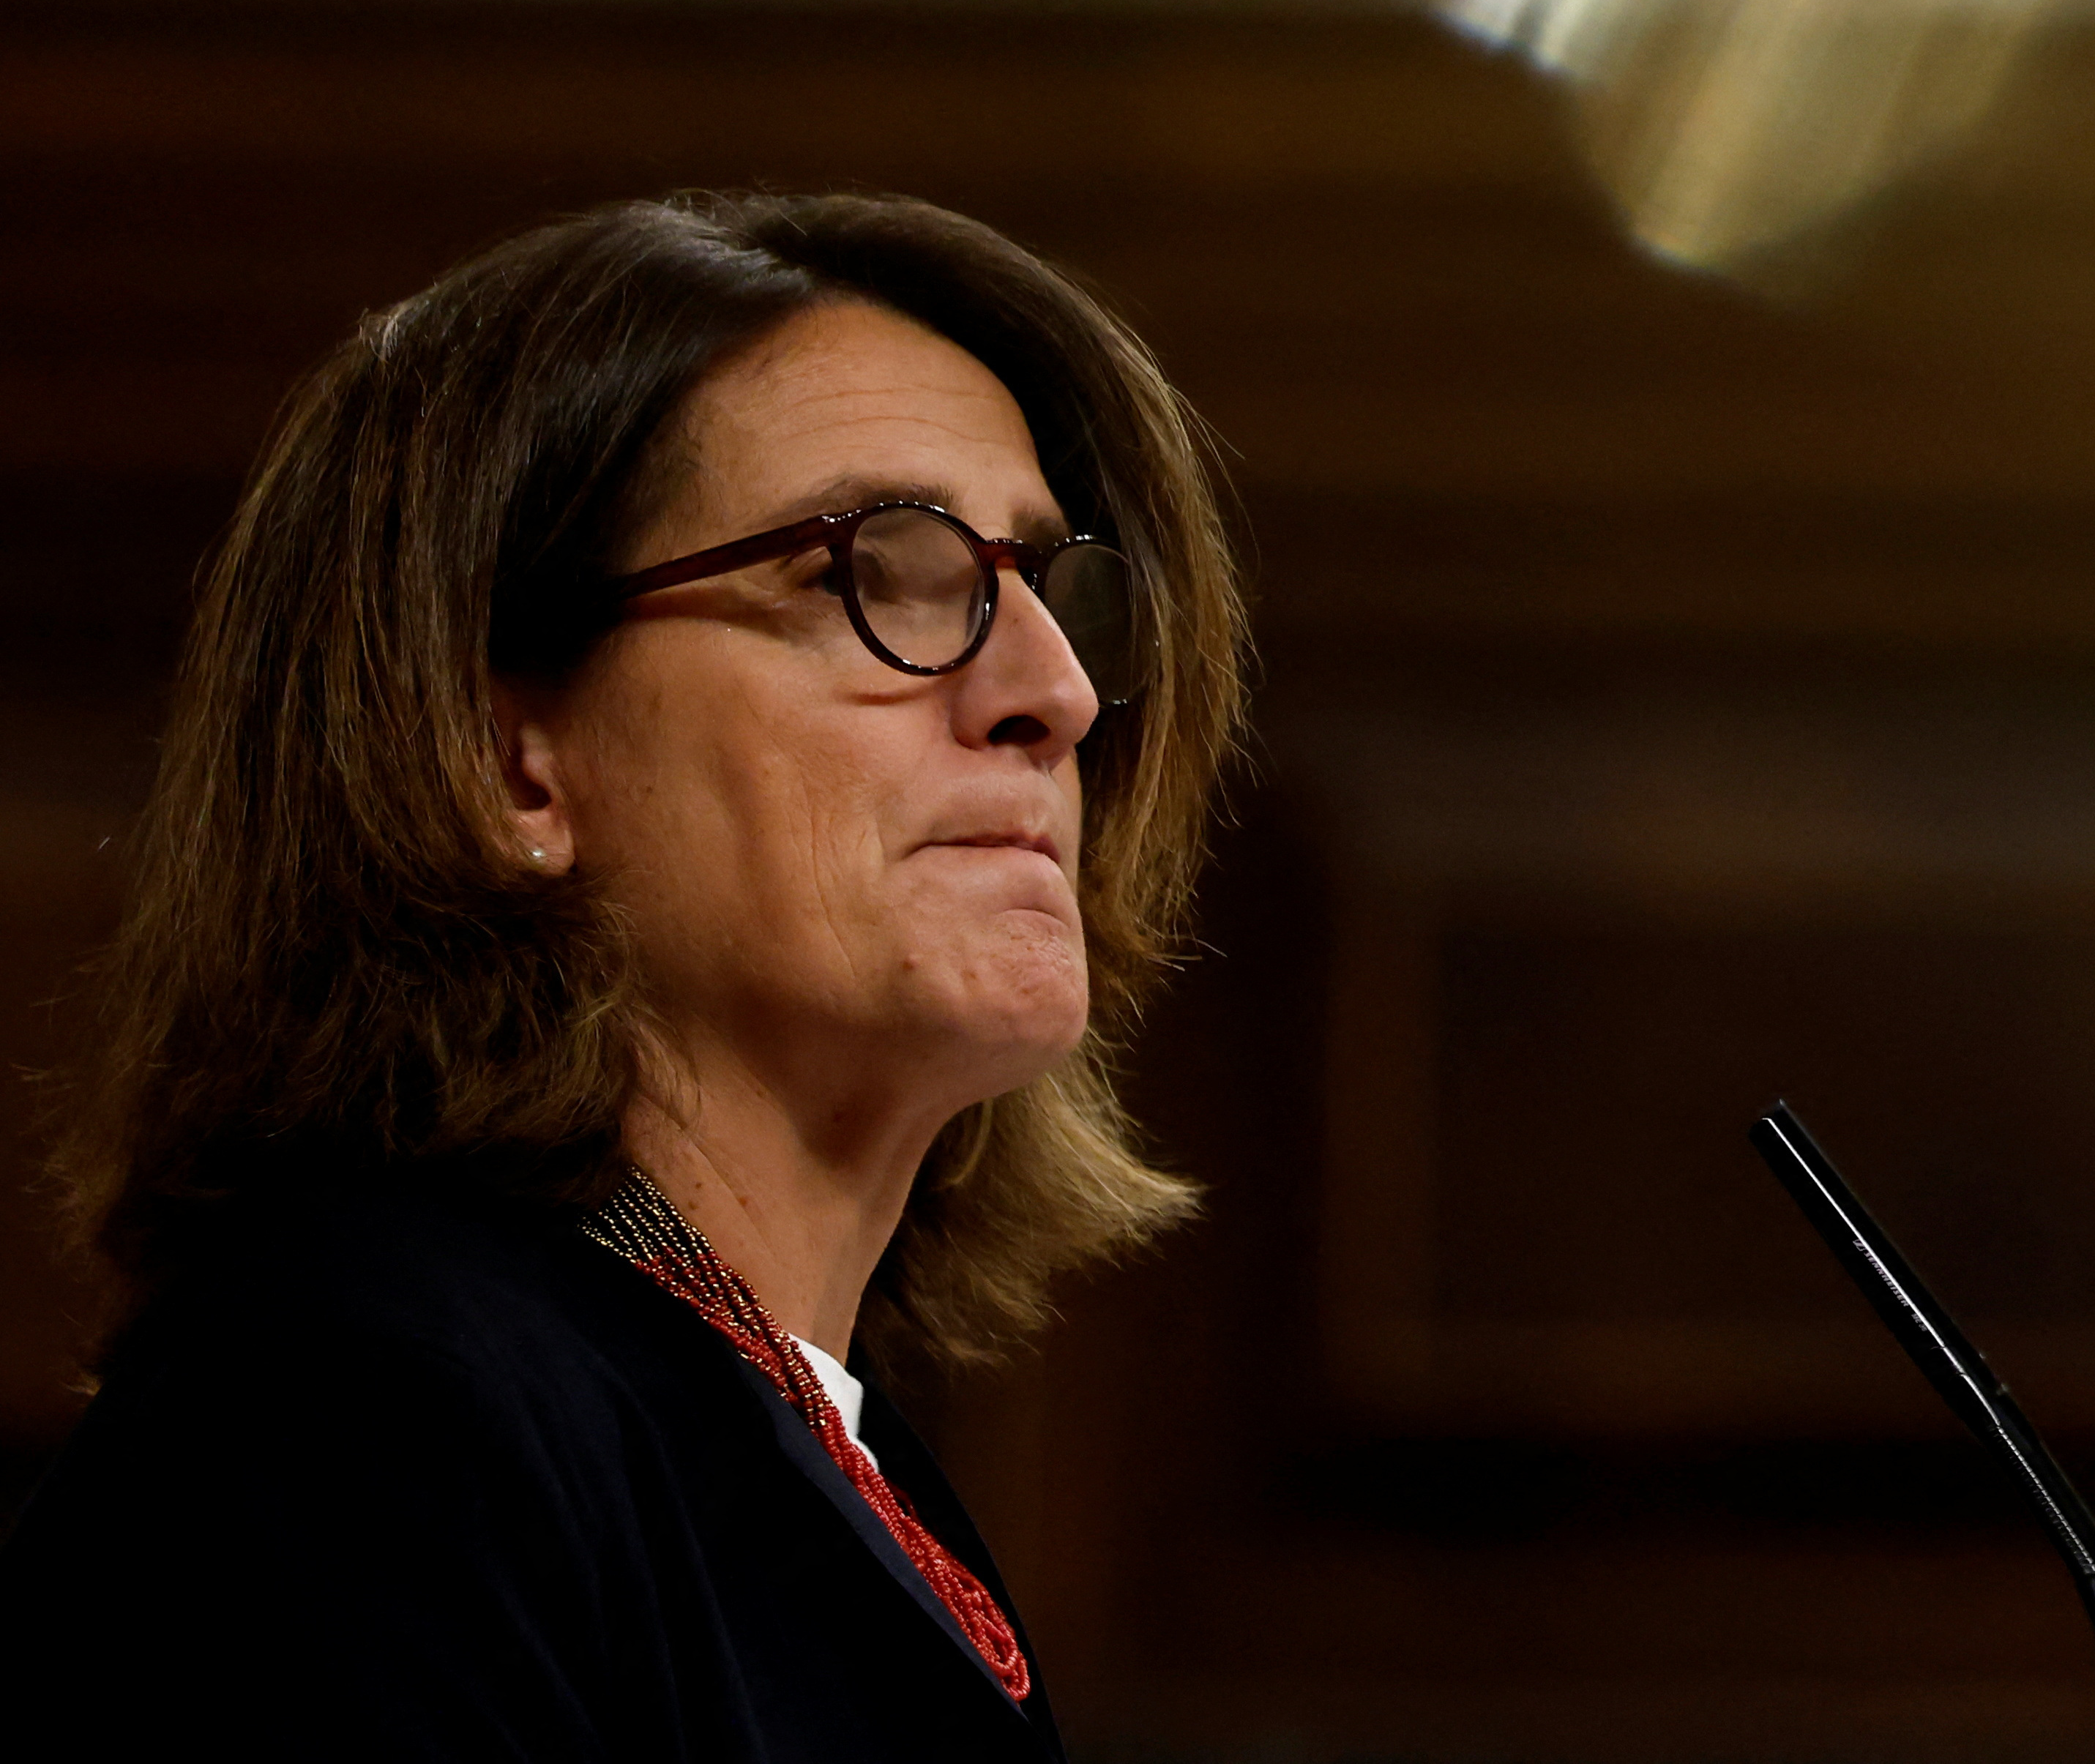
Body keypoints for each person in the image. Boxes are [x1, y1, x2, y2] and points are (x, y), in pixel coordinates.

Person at [0, 190, 1247, 1754]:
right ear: (507, 756)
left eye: (1053, 588)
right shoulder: (363, 1413)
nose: (1052, 692)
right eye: (884, 570)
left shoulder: (776, 1421)